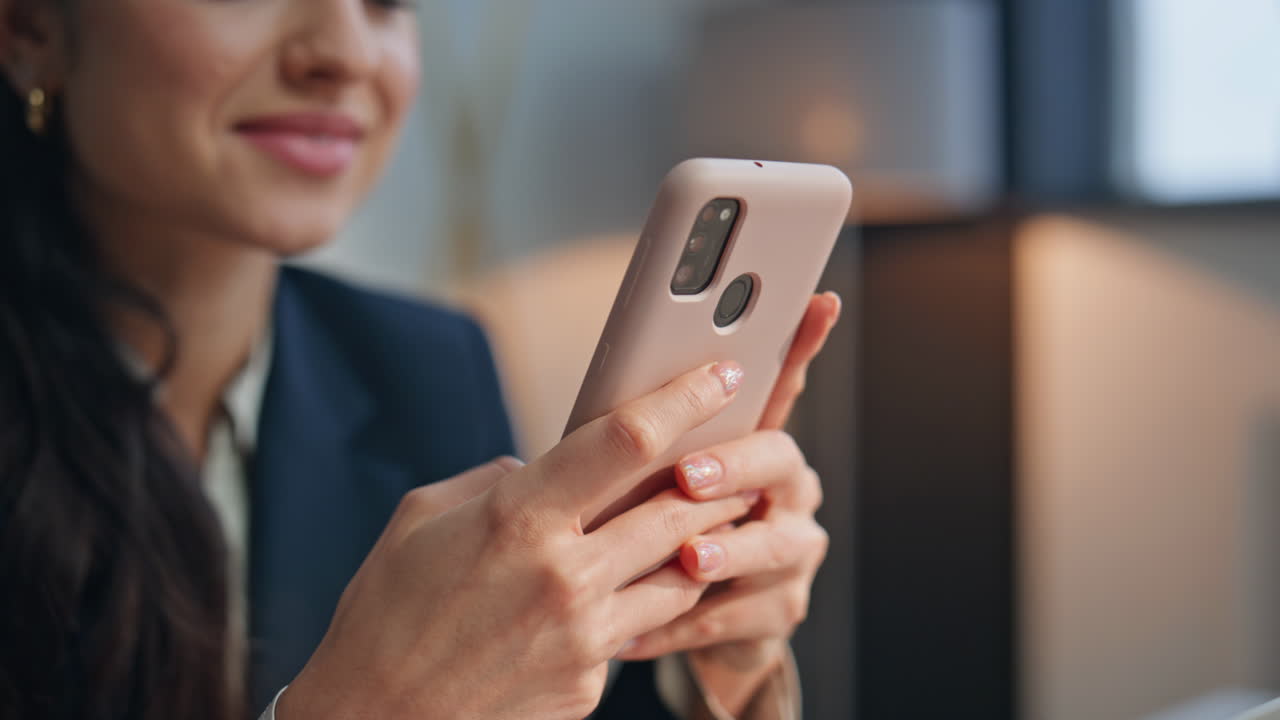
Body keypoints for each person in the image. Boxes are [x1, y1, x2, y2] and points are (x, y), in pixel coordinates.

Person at [0, 2, 839, 718]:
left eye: (385, 0)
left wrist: (702, 657)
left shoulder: (429, 365)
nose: (344, 54)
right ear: (31, 25)